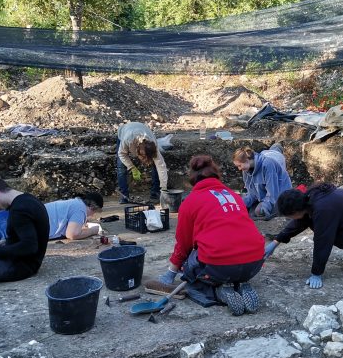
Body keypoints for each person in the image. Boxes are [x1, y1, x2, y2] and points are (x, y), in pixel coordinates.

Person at [144, 155, 265, 316]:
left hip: (221, 268)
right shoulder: (234, 196)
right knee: (227, 256)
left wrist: (170, 273)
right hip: (254, 264)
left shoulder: (191, 201)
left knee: (190, 266)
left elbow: (184, 244)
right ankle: (240, 283)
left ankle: (219, 292)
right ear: (216, 176)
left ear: (193, 179)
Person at [232, 143, 292, 220]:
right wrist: (241, 204)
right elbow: (251, 193)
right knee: (247, 211)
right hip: (268, 154)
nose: (239, 169)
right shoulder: (246, 170)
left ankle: (277, 146)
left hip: (280, 193)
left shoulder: (268, 164)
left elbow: (273, 193)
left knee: (259, 212)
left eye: (239, 165)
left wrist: (265, 207)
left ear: (247, 161)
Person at [117, 121, 168, 204]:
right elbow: (121, 154)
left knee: (156, 165)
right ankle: (124, 196)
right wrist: (132, 167)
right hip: (124, 131)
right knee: (121, 167)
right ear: (138, 152)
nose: (144, 161)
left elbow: (161, 166)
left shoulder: (152, 144)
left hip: (142, 128)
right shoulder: (127, 140)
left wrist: (164, 188)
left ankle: (155, 194)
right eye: (143, 158)